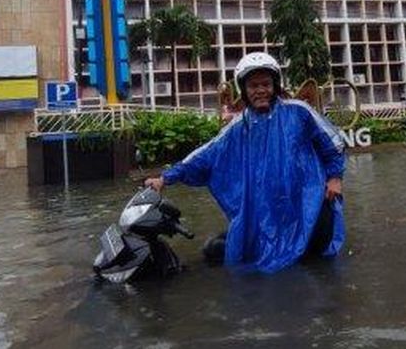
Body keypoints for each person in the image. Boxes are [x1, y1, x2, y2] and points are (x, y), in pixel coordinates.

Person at [145, 52, 346, 273]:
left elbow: (333, 143)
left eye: (266, 84)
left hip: (309, 201)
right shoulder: (238, 127)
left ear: (275, 86)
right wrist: (165, 178)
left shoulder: (299, 111)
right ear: (244, 90)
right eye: (253, 85)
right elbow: (203, 156)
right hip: (268, 209)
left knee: (320, 259)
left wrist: (335, 178)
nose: (260, 90)